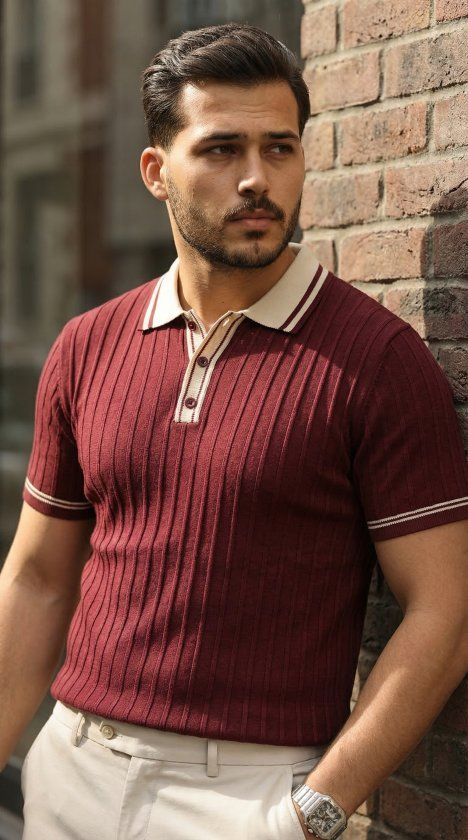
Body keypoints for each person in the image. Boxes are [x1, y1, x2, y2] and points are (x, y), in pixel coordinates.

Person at [1, 22, 467, 840]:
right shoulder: (87, 346)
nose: (257, 179)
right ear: (156, 172)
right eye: (221, 150)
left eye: (279, 148)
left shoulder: (377, 361)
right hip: (71, 770)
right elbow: (39, 579)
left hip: (248, 797)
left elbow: (447, 614)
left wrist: (309, 814)